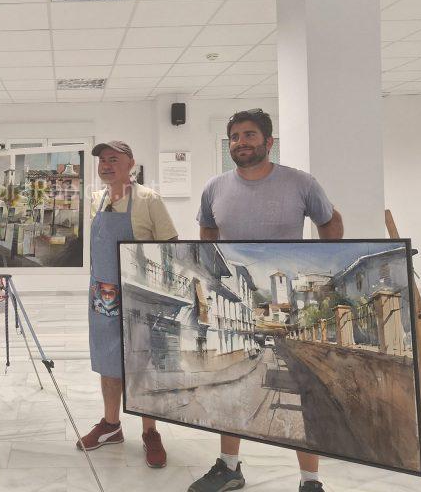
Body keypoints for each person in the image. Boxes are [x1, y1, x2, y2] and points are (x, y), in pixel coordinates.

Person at [188, 109, 343, 492]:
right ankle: (229, 467)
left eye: (249, 135)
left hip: (288, 303)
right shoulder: (214, 187)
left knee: (300, 385)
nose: (241, 142)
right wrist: (212, 277)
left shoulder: (301, 183)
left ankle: (310, 480)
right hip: (241, 300)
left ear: (268, 141)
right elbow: (207, 229)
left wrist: (328, 265)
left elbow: (329, 221)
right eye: (235, 136)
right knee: (230, 387)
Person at [77, 141, 178, 468]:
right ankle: (111, 426)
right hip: (104, 294)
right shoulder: (95, 200)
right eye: (102, 160)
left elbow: (171, 246)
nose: (106, 165)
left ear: (131, 163)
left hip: (140, 294)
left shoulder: (149, 200)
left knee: (142, 362)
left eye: (113, 159)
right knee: (108, 359)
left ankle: (150, 431)